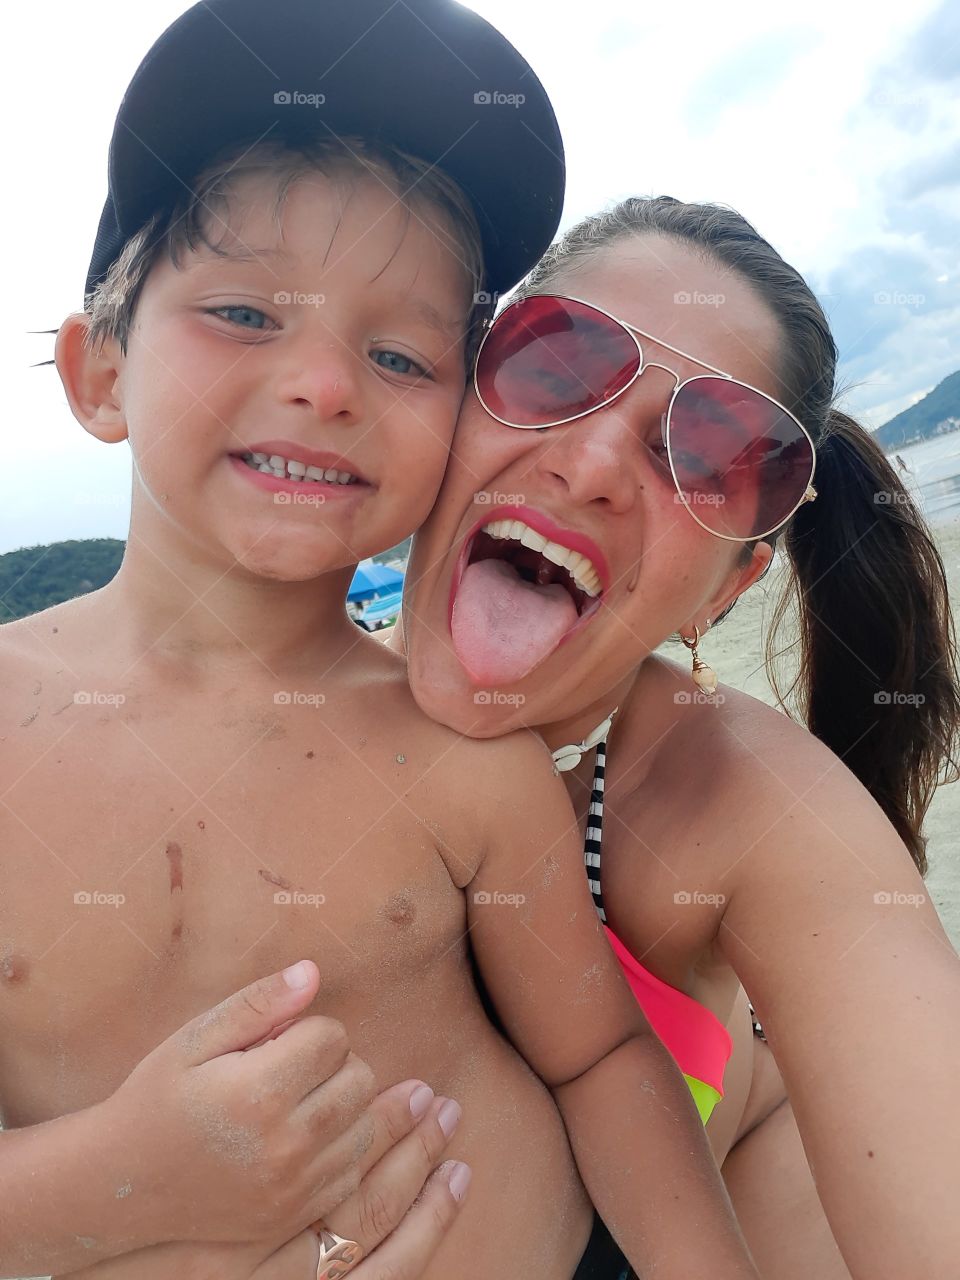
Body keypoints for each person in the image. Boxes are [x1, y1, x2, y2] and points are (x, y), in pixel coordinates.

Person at [5, 2, 762, 1277]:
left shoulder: (460, 748)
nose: (328, 382)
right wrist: (117, 1181)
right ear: (99, 372)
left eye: (404, 355)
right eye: (245, 314)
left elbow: (598, 1055)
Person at [389, 197, 960, 1279]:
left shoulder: (740, 803)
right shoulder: (238, 707)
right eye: (554, 366)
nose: (595, 462)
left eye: (706, 454)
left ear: (727, 588)